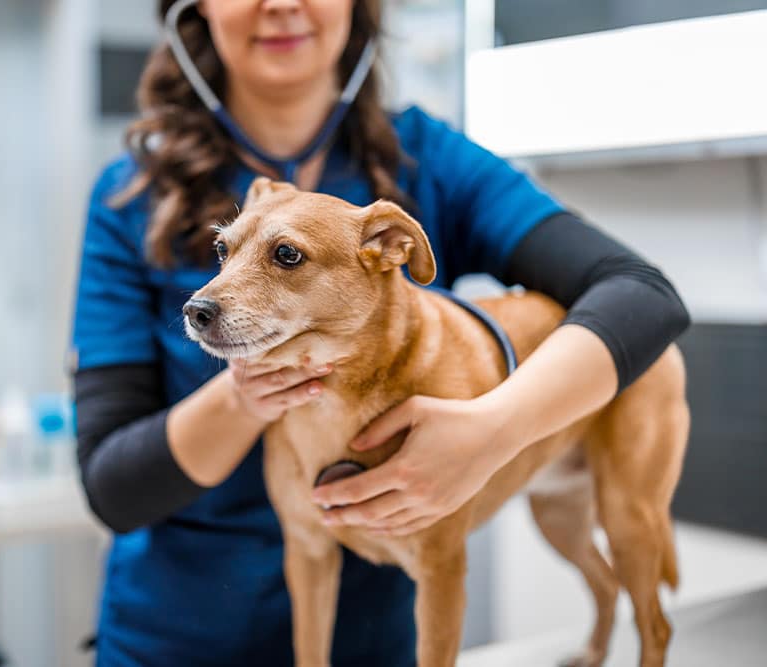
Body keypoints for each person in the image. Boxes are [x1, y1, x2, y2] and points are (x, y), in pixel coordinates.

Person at [70, 1, 691, 665]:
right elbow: (112, 487)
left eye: (285, 257)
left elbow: (643, 297)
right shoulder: (128, 197)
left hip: (378, 643)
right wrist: (247, 396)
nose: (280, 4)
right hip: (171, 639)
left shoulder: (429, 158)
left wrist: (496, 428)